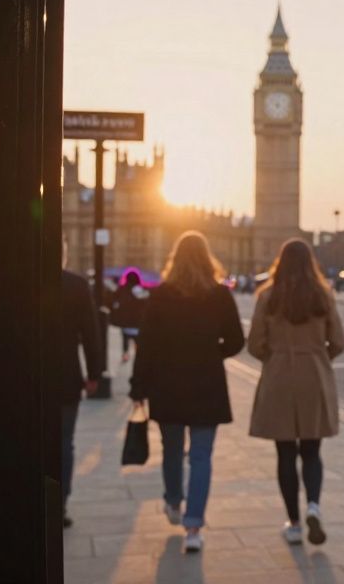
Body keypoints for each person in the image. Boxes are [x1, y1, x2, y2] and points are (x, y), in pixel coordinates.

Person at [129, 231, 245, 553]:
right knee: (201, 456)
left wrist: (137, 387)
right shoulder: (220, 295)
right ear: (208, 259)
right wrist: (210, 353)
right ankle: (193, 526)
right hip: (206, 384)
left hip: (168, 385)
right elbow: (236, 341)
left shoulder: (161, 295)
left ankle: (173, 501)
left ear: (174, 260)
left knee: (171, 450)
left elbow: (146, 346)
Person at [247, 239, 344, 546]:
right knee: (312, 451)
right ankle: (314, 506)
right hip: (313, 374)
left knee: (285, 453)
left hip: (279, 375)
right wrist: (318, 357)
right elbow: (340, 341)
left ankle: (293, 524)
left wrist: (275, 358)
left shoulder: (268, 297)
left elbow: (253, 344)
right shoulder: (323, 295)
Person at [59, 236, 106, 528]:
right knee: (65, 443)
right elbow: (91, 334)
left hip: (28, 378)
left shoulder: (19, 281)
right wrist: (94, 374)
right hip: (65, 376)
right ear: (63, 252)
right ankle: (60, 504)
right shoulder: (76, 285)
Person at [109, 269, 146, 363]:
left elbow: (115, 302)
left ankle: (125, 353)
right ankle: (139, 355)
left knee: (125, 338)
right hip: (137, 320)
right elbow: (144, 302)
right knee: (137, 339)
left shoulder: (122, 289)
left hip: (125, 320)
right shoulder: (138, 289)